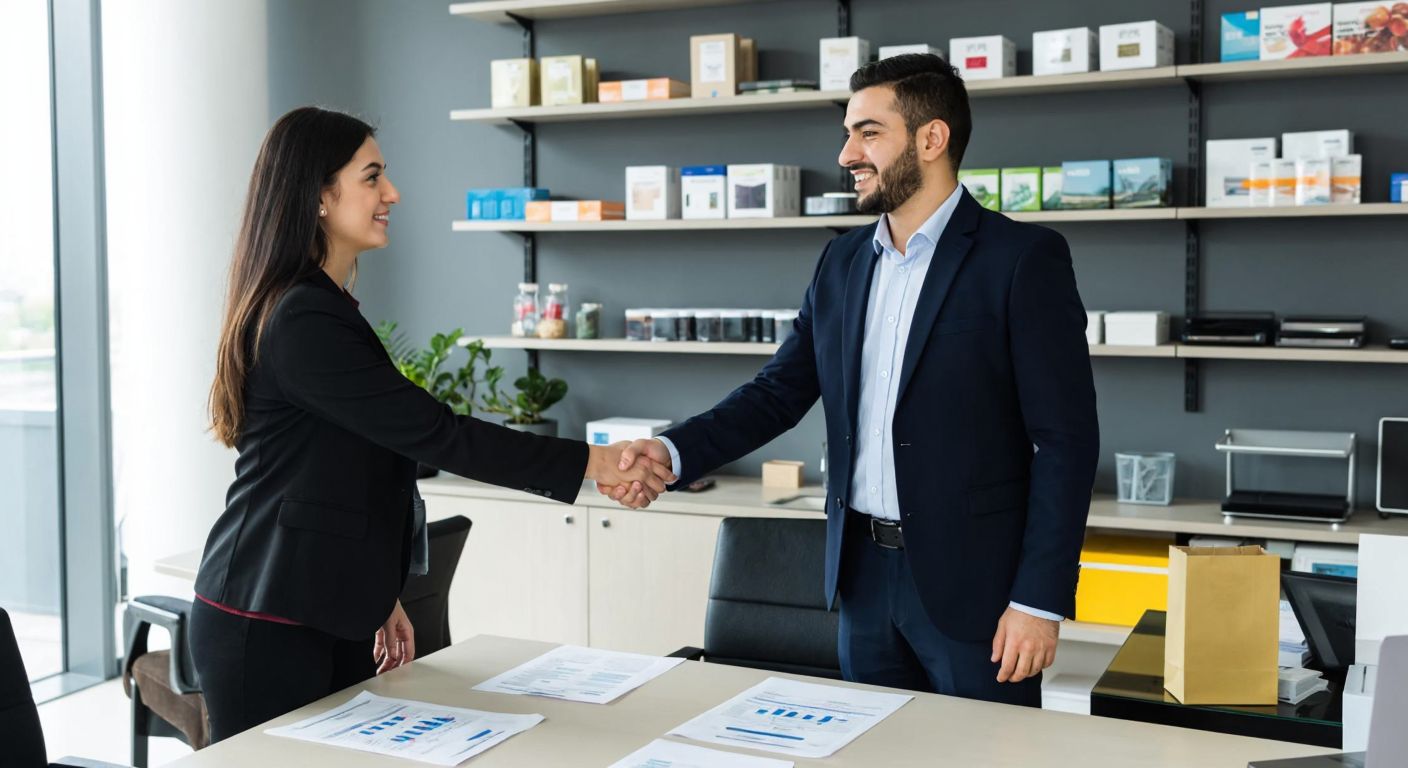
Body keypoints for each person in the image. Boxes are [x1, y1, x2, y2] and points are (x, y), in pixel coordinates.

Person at [604, 54, 1099, 707]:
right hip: (861, 579)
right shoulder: (841, 261)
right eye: (847, 133)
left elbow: (1066, 440)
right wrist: (673, 451)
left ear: (931, 138)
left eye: (868, 132)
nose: (846, 154)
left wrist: (1038, 598)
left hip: (974, 589)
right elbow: (778, 392)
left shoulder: (1021, 260)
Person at [192, 106, 674, 741]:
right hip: (266, 617)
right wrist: (596, 462)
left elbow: (350, 468)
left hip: (317, 607)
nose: (391, 193)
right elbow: (435, 433)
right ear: (318, 195)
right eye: (372, 178)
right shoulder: (302, 318)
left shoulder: (321, 307)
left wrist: (374, 595)